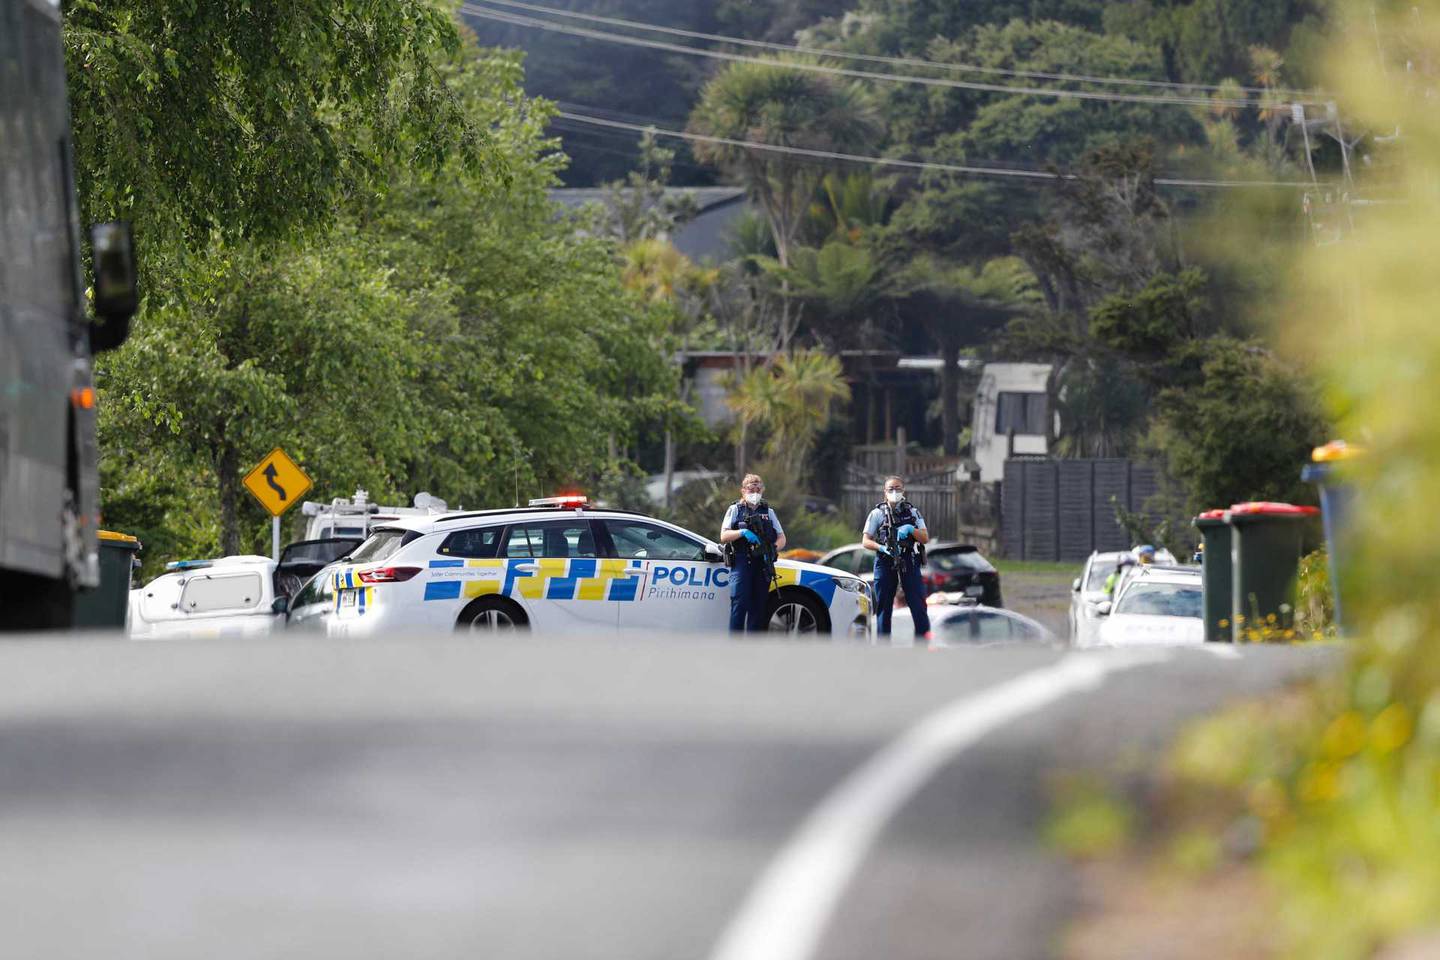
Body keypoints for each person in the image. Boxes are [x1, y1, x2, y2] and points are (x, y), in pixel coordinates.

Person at [862, 476, 931, 638]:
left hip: (908, 559)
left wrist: (910, 529)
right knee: (884, 607)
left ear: (903, 490)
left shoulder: (913, 512)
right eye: (891, 489)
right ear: (885, 492)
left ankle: (923, 644)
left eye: (898, 488)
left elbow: (925, 537)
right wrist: (882, 548)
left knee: (918, 604)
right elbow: (865, 541)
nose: (895, 492)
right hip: (885, 560)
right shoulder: (877, 513)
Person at [720, 474, 786, 632]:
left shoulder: (769, 512)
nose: (754, 492)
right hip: (743, 561)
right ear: (743, 491)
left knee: (758, 607)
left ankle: (752, 649)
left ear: (762, 490)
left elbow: (782, 537)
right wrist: (742, 533)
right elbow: (724, 536)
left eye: (758, 489)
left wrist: (772, 550)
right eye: (751, 489)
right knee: (739, 603)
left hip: (762, 564)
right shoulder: (735, 509)